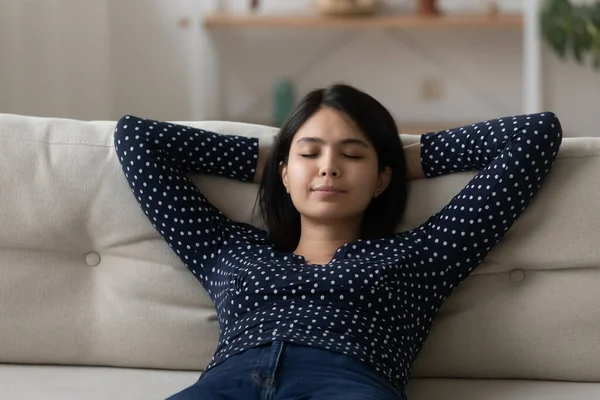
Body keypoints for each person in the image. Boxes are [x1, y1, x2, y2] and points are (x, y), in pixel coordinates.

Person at [113, 83, 563, 400]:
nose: (328, 167)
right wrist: (273, 167)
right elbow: (136, 138)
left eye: (351, 154)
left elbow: (534, 134)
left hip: (346, 382)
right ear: (286, 173)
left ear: (382, 178)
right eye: (309, 154)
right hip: (227, 383)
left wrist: (400, 160)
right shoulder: (229, 249)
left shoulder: (422, 256)